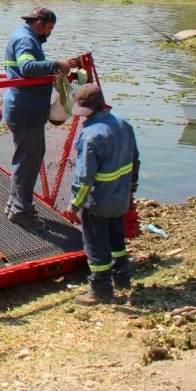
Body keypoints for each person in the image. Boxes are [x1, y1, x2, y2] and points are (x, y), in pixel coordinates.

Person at [2, 7, 80, 231]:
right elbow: (27, 68)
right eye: (49, 28)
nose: (49, 33)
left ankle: (16, 204)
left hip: (25, 110)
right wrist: (57, 65)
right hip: (25, 112)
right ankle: (21, 212)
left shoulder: (25, 36)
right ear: (39, 24)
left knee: (26, 162)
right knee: (28, 164)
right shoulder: (25, 40)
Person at [65, 84, 140, 305]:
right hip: (120, 198)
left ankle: (100, 289)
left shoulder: (91, 136)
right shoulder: (122, 123)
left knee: (96, 246)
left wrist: (74, 206)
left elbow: (84, 177)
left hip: (97, 202)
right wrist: (131, 188)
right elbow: (135, 159)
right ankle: (123, 278)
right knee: (117, 239)